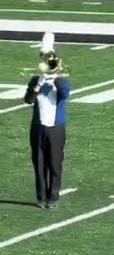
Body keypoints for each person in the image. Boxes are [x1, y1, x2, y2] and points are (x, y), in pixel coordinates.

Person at [23, 49, 70, 209]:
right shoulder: (36, 80)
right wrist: (39, 85)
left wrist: (54, 77)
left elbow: (64, 93)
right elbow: (28, 99)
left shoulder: (62, 82)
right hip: (38, 127)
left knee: (55, 163)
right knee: (39, 163)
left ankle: (53, 197)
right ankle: (41, 197)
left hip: (56, 128)